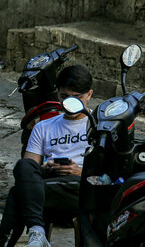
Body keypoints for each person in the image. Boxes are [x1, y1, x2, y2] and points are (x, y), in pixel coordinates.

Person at [0, 65, 93, 247]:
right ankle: (37, 230)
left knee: (17, 193)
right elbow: (28, 169)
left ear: (89, 95)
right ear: (57, 93)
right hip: (48, 191)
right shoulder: (44, 126)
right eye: (64, 97)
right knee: (23, 167)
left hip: (82, 192)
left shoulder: (100, 125)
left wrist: (78, 171)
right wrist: (46, 168)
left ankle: (28, 234)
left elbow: (110, 174)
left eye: (77, 98)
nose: (69, 103)